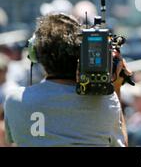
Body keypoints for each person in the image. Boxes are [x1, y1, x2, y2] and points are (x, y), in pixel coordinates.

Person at [3, 13, 131, 147]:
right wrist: (115, 88)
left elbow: (11, 142)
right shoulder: (106, 101)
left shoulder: (14, 100)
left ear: (35, 53)